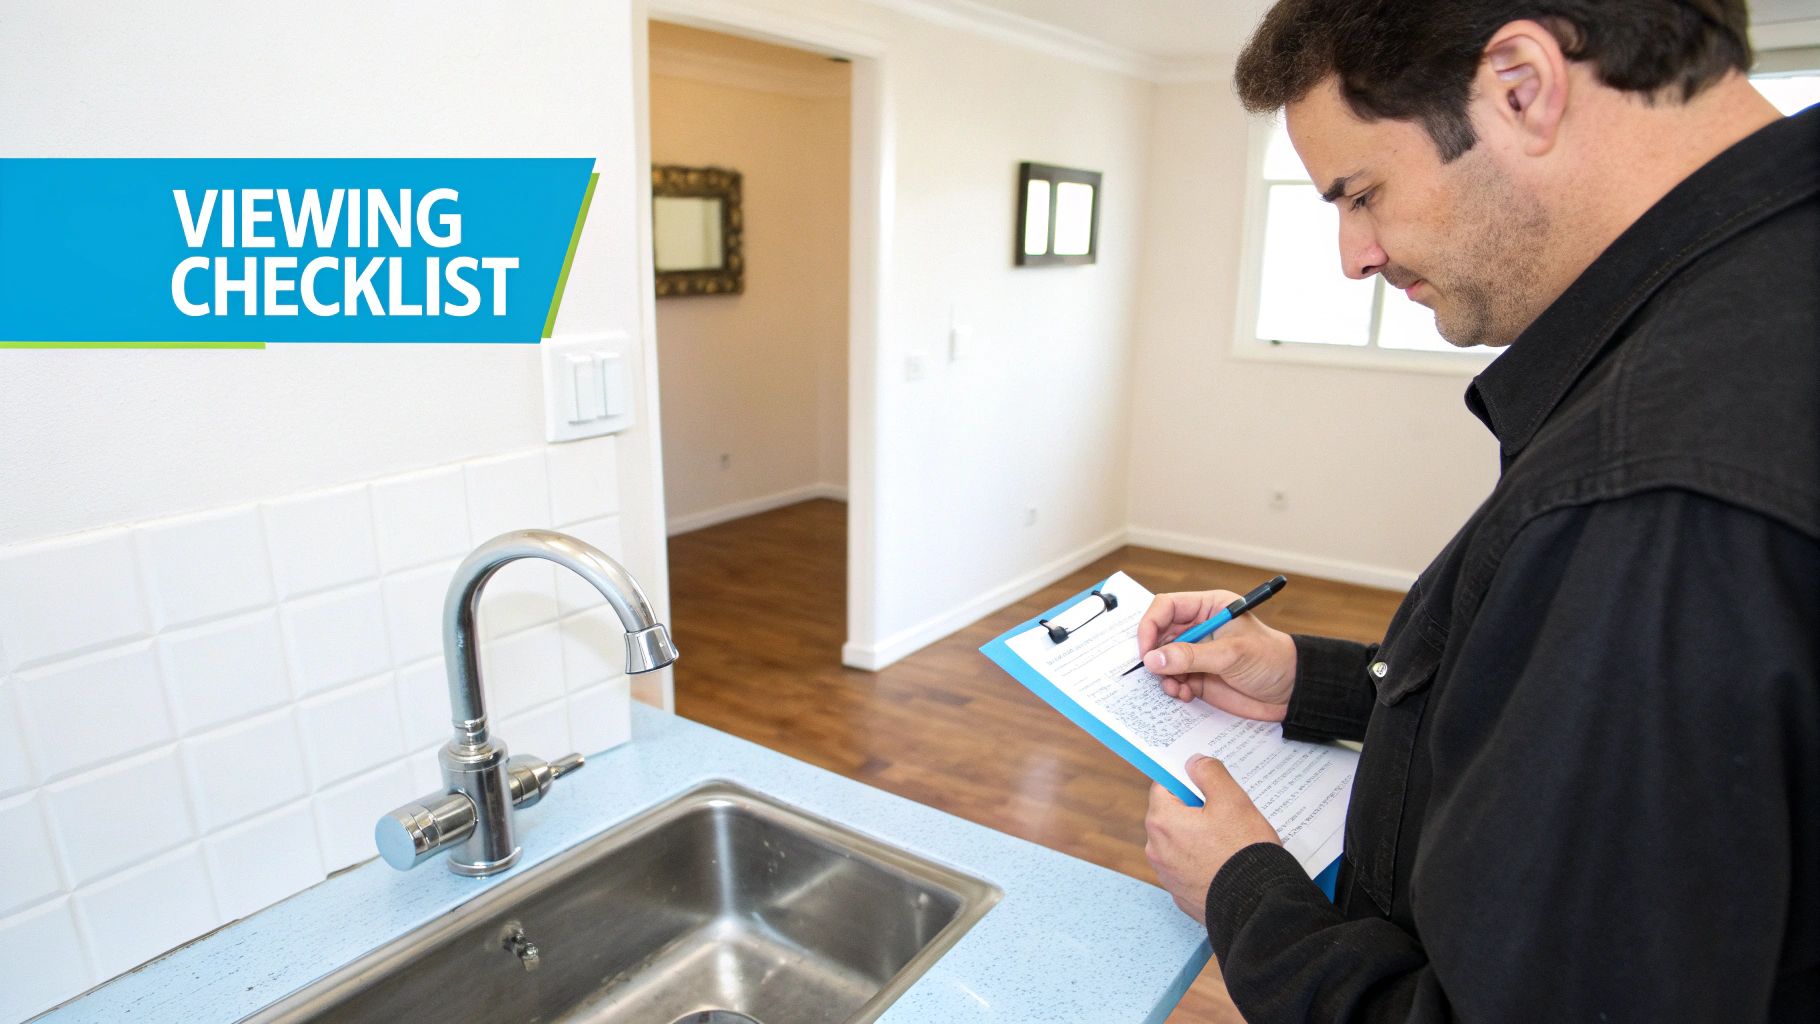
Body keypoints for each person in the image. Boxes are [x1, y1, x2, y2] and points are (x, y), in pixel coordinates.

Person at [1137, 1, 1819, 1019]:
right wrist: (1314, 681)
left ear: (1520, 87)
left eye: (1361, 193)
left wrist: (1244, 890)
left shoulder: (1658, 491)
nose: (1352, 257)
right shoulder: (1760, 302)